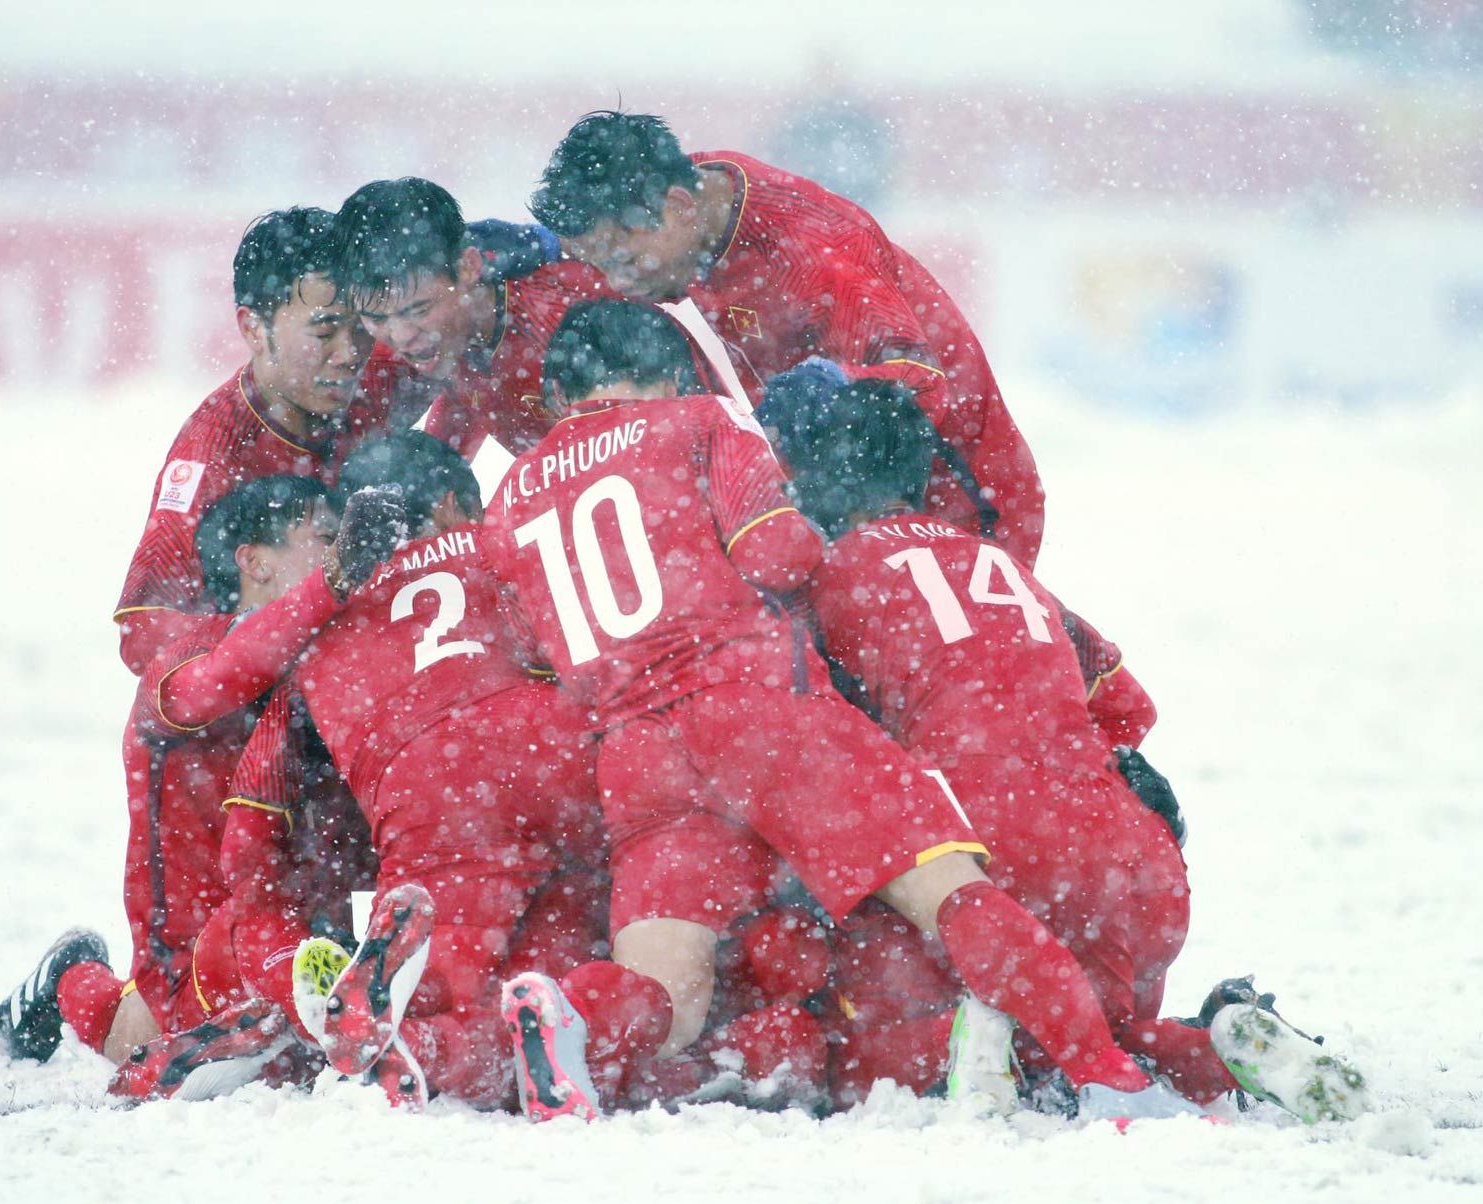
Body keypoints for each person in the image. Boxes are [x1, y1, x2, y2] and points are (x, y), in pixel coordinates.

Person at [480, 298, 1174, 1122]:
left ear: (559, 396)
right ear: (670, 376)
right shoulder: (698, 421)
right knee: (952, 892)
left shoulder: (511, 495)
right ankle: (1104, 1073)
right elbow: (775, 553)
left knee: (670, 992)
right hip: (760, 714)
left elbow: (525, 645)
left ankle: (575, 1016)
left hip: (636, 750)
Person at [772, 384, 1369, 1123]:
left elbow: (795, 733)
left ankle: (985, 1039)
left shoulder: (823, 580)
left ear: (811, 480)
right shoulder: (1008, 569)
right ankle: (1211, 1046)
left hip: (983, 846)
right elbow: (1126, 709)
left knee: (864, 1060)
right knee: (1094, 1020)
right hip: (1128, 861)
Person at [205, 434, 609, 1110]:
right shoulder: (503, 549)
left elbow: (248, 822)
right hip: (563, 756)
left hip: (428, 799)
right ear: (454, 504)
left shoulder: (311, 621)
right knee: (575, 963)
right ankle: (586, 1021)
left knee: (438, 996)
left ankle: (400, 1040)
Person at [0, 474, 395, 1066]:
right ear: (253, 563)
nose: (345, 553)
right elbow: (229, 671)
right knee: (221, 1018)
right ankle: (74, 979)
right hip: (197, 954)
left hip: (302, 929)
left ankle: (77, 982)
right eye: (329, 538)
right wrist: (335, 582)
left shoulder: (337, 651)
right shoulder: (182, 659)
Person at [529, 110, 1045, 565]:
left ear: (681, 208)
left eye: (622, 260)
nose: (617, 284)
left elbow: (927, 386)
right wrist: (538, 253)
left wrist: (831, 387)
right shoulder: (686, 192)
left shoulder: (813, 252)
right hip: (834, 500)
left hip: (956, 497)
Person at [112, 206, 421, 676]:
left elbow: (468, 335)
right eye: (324, 332)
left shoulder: (383, 361)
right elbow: (141, 634)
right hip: (281, 693)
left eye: (361, 326)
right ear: (254, 329)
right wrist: (277, 626)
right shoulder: (212, 456)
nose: (351, 353)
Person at [326, 178, 621, 462]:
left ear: (469, 267)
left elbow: (659, 435)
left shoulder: (575, 308)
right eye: (376, 317)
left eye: (419, 310)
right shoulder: (417, 346)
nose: (402, 337)